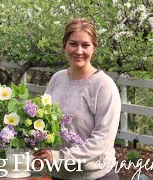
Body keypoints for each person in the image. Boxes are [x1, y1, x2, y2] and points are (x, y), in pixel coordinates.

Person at [32, 18, 121, 180]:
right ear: (64, 45)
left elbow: (103, 139)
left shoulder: (104, 86)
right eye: (73, 44)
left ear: (94, 48)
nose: (79, 51)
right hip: (60, 173)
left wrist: (59, 157)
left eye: (85, 45)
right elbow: (43, 120)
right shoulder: (57, 79)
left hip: (95, 175)